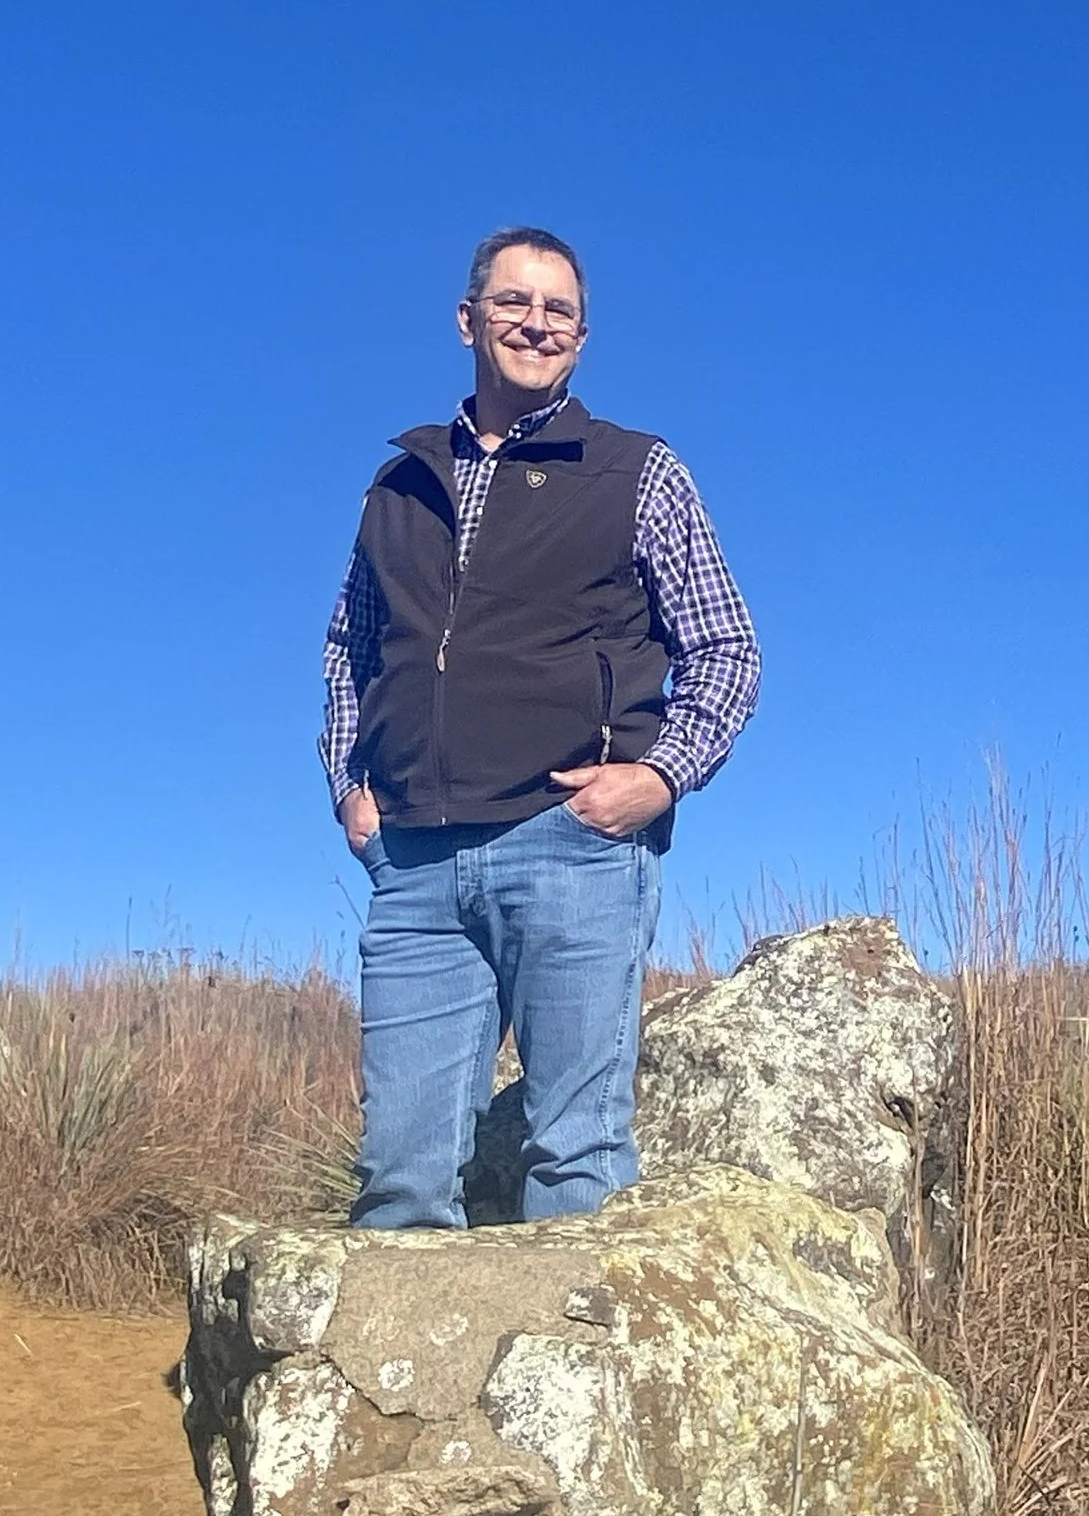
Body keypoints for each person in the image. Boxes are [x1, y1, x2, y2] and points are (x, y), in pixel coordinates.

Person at [319, 224, 760, 1228]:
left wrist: (655, 780)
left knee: (578, 1162)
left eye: (559, 310)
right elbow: (350, 643)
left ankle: (573, 1387)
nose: (536, 323)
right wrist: (350, 786)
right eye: (515, 303)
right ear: (468, 320)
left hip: (572, 849)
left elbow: (728, 650)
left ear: (582, 336)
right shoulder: (398, 485)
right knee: (399, 1175)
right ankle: (397, 1392)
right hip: (417, 863)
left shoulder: (637, 471)